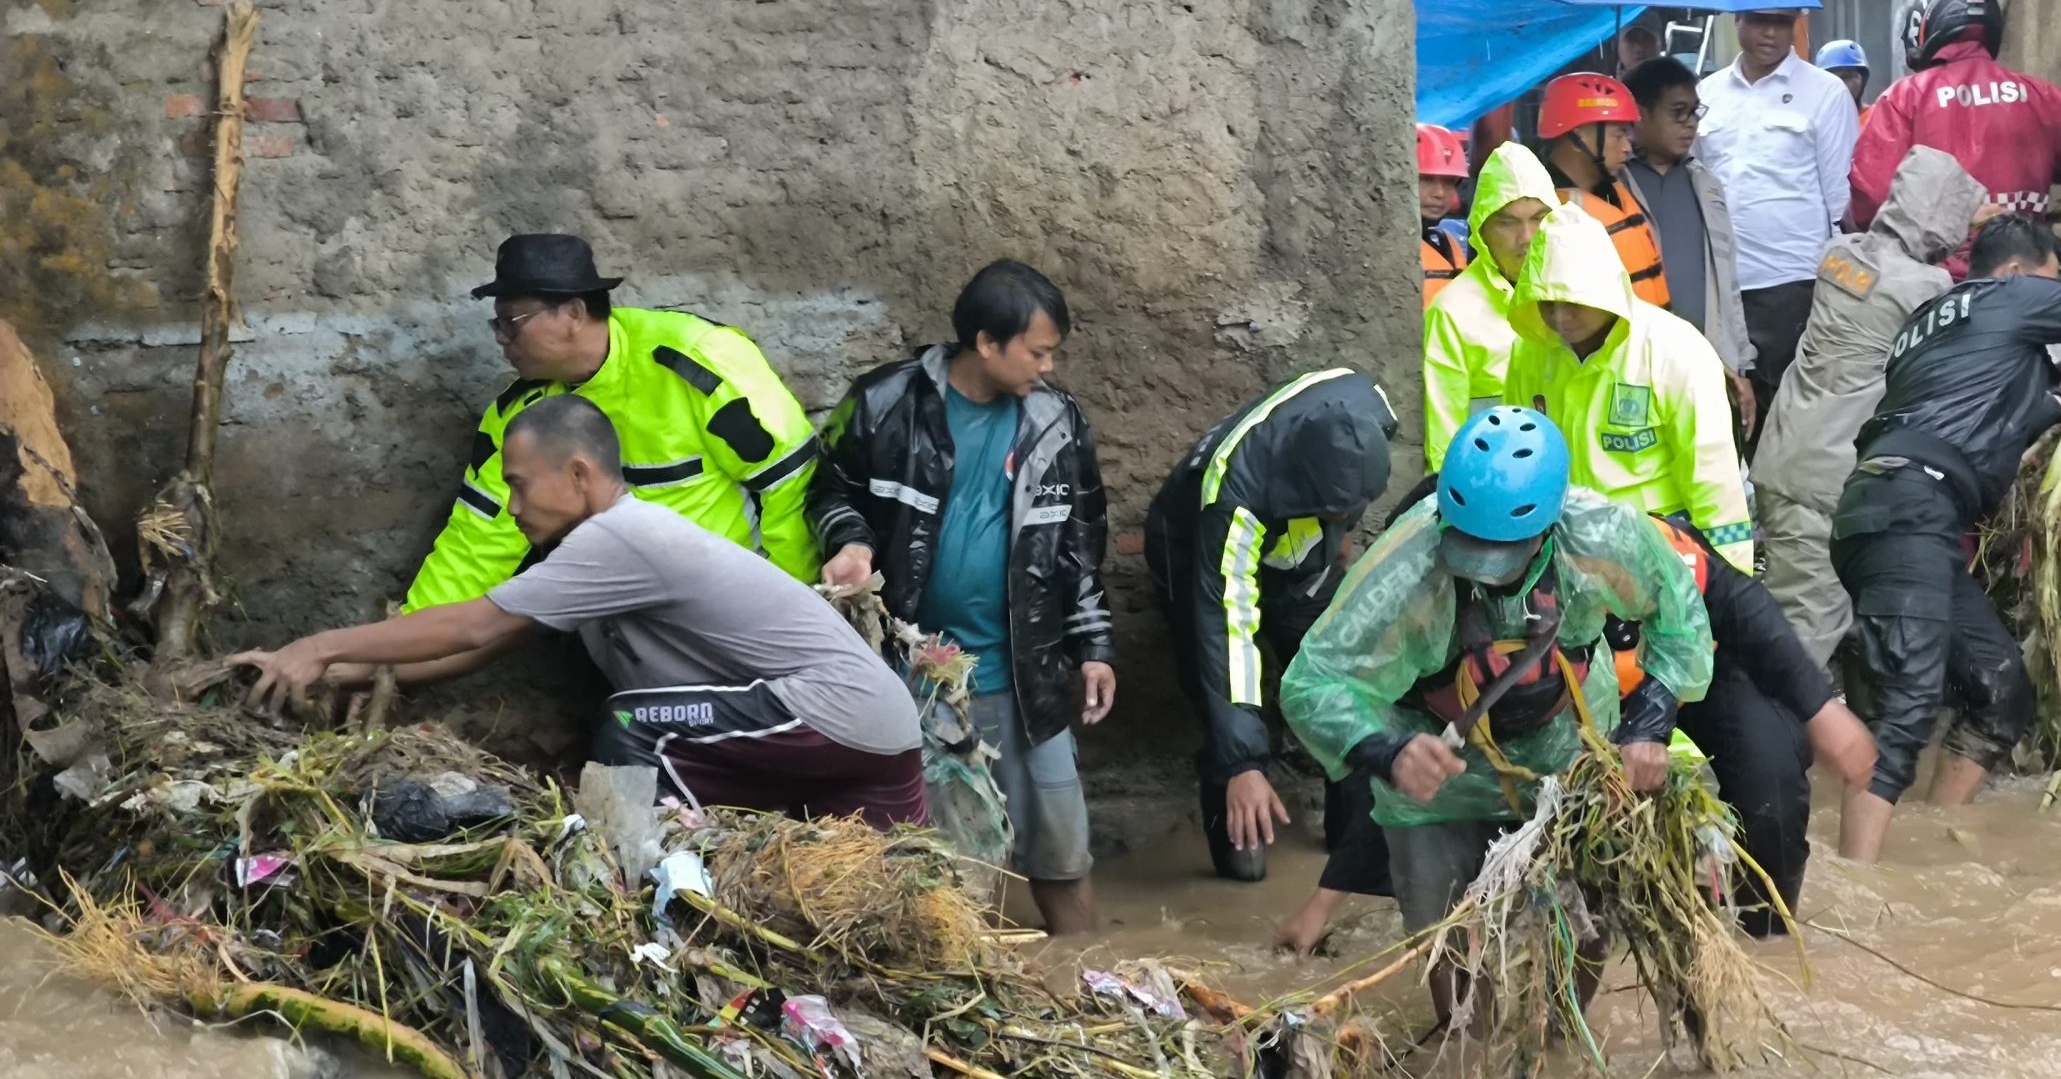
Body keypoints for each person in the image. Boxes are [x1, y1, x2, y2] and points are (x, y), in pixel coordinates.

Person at [233, 397, 928, 824]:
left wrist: (317, 645)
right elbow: (479, 649)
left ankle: (626, 903)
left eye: (518, 485)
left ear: (577, 475)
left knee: (631, 728)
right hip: (866, 737)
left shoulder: (621, 537)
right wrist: (333, 674)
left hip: (830, 713)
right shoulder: (584, 558)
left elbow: (475, 622)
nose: (511, 505)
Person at [1278, 408, 1713, 1011]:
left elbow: (1682, 619)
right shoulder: (1407, 567)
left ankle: (1559, 1044)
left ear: (1548, 527)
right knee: (1445, 940)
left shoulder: (1603, 536)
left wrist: (1651, 724)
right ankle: (1464, 1056)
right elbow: (1311, 682)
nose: (1483, 566)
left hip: (1569, 750)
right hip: (1436, 764)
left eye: (1502, 551)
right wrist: (1387, 752)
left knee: (1584, 918)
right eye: (1468, 547)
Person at [1831, 216, 2061, 863]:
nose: (2054, 296)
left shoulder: (1922, 332)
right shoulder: (2007, 295)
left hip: (1885, 508)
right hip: (1909, 509)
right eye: (2050, 282)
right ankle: (1852, 889)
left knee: (2001, 692)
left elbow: (1978, 417)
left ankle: (1926, 845)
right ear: (2013, 273)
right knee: (1908, 703)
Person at [807, 261, 1114, 935]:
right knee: (943, 871)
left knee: (1061, 849)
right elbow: (828, 489)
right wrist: (853, 543)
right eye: (1038, 351)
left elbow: (1081, 543)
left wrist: (1093, 647)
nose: (1049, 367)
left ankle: (1086, 970)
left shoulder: (1057, 422)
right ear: (985, 343)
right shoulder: (886, 403)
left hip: (1026, 679)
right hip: (917, 682)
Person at [406, 235, 822, 611]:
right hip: (621, 622)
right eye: (497, 323)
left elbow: (792, 486)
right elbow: (477, 541)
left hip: (735, 604)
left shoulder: (696, 361)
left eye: (512, 321)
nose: (500, 337)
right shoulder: (520, 415)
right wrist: (400, 646)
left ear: (572, 313)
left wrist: (787, 611)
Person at [1144, 369, 1399, 893]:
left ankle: (1351, 841)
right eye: (1335, 509)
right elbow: (1227, 632)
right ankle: (1236, 808)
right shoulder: (1232, 499)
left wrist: (1337, 534)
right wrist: (1243, 763)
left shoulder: (1370, 411)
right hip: (1197, 548)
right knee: (1218, 677)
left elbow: (1346, 506)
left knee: (1337, 670)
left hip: (1298, 550)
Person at [1752, 148, 1986, 667]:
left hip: (1788, 453)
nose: (1960, 236)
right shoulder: (1926, 287)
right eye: (1957, 221)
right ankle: (1767, 740)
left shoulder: (1837, 254)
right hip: (1825, 480)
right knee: (1800, 640)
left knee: (1803, 611)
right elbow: (1967, 339)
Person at [1625, 515, 1877, 936]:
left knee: (1772, 782)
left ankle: (1765, 936)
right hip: (1588, 689)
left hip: (1704, 660)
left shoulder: (1610, 533)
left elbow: (1737, 599)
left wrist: (1820, 707)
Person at [1500, 204, 1754, 568]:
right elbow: (1519, 456)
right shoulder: (1530, 354)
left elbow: (1713, 480)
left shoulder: (1675, 350)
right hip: (1566, 545)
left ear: (1602, 291)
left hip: (1662, 545)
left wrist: (1729, 579)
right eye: (1546, 303)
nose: (1559, 316)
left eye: (1572, 302)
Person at [1848, 0, 2061, 265]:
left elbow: (1870, 202)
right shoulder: (2038, 97)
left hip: (1938, 287)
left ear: (1922, 25)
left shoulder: (1903, 99)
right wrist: (2042, 153)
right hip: (2023, 281)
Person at [1693, 8, 1862, 430]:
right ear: (1738, 22)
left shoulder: (1825, 92)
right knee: (1726, 414)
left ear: (1796, 25)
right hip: (1721, 287)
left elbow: (1842, 195)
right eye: (1759, 20)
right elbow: (1693, 182)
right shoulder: (1706, 94)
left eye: (1783, 22)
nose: (1770, 32)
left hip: (1793, 284)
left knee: (1790, 419)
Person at [1618, 53, 1759, 442]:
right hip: (1637, 364)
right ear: (1639, 115)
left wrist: (1740, 362)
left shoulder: (1706, 184)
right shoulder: (1614, 188)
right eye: (1678, 112)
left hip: (1710, 361)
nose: (1691, 124)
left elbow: (1726, 281)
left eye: (1695, 112)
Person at [1419, 142, 1558, 470]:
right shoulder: (1452, 314)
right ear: (1481, 230)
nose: (1526, 236)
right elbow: (1443, 442)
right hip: (1491, 491)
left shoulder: (1579, 297)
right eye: (1508, 222)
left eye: (1539, 217)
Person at [1529, 73, 1671, 310]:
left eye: (1628, 135)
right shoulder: (1541, 213)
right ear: (1577, 136)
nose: (1627, 148)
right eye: (1618, 135)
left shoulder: (1614, 193)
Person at [1417, 123, 1473, 308]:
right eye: (1426, 179)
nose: (1440, 193)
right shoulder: (1379, 246)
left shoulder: (1445, 244)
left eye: (1449, 182)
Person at [1815, 38, 1872, 113]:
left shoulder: (1877, 118)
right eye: (1832, 79)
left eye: (1846, 77)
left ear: (1862, 79)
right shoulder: (1814, 121)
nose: (1840, 85)